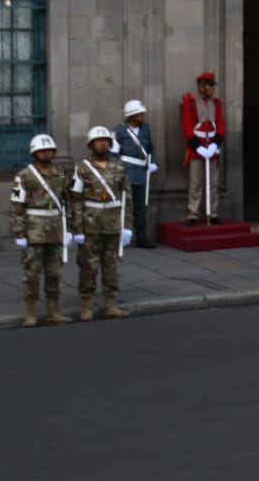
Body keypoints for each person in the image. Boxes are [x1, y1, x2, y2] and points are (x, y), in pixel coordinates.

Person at [69, 126, 133, 321]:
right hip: (90, 224)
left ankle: (111, 304)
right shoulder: (82, 168)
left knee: (112, 265)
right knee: (88, 266)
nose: (103, 143)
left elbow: (127, 198)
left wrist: (127, 226)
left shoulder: (119, 167)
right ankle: (86, 305)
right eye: (98, 141)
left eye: (106, 140)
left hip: (113, 224)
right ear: (91, 144)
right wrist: (77, 228)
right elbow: (75, 199)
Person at [9, 133, 73, 327]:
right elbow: (17, 205)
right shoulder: (24, 175)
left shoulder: (60, 173)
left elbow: (68, 201)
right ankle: (31, 313)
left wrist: (69, 228)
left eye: (49, 150)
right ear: (35, 153)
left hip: (55, 230)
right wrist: (19, 232)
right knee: (32, 274)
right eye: (42, 151)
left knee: (54, 273)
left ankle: (54, 311)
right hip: (33, 231)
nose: (46, 153)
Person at [181, 71, 225, 225]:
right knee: (195, 183)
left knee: (213, 183)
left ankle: (213, 212)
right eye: (210, 85)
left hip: (211, 148)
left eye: (213, 85)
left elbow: (221, 125)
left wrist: (215, 144)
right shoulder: (190, 102)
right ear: (202, 86)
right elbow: (187, 126)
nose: (213, 89)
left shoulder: (217, 103)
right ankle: (193, 213)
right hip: (196, 149)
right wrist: (197, 147)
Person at [115, 100, 157, 249]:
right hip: (126, 171)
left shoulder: (145, 129)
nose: (143, 115)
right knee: (124, 204)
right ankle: (122, 235)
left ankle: (141, 236)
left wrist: (153, 162)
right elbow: (114, 153)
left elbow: (150, 149)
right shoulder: (120, 130)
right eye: (140, 113)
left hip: (141, 172)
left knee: (141, 206)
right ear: (132, 115)